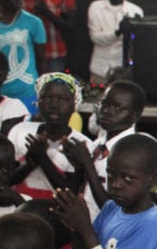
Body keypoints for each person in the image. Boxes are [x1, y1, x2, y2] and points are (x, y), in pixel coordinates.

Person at [53, 134, 157, 249]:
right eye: (111, 175)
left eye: (128, 178)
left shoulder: (151, 224)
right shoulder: (110, 208)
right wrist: (76, 230)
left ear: (153, 179)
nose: (116, 185)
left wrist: (85, 228)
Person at [61, 79, 148, 219]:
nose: (107, 111)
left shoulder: (132, 152)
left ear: (135, 115)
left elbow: (115, 210)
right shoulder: (98, 144)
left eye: (118, 108)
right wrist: (78, 165)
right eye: (104, 104)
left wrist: (87, 164)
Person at [8, 73, 93, 199]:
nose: (54, 104)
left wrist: (42, 158)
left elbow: (71, 194)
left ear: (75, 104)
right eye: (47, 97)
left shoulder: (81, 145)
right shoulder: (20, 131)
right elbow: (6, 180)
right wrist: (29, 164)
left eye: (63, 99)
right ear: (38, 102)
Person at [86, 0, 143, 85]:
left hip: (123, 73)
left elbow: (137, 44)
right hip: (99, 71)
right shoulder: (95, 7)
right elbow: (95, 38)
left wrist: (132, 30)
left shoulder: (135, 11)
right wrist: (118, 33)